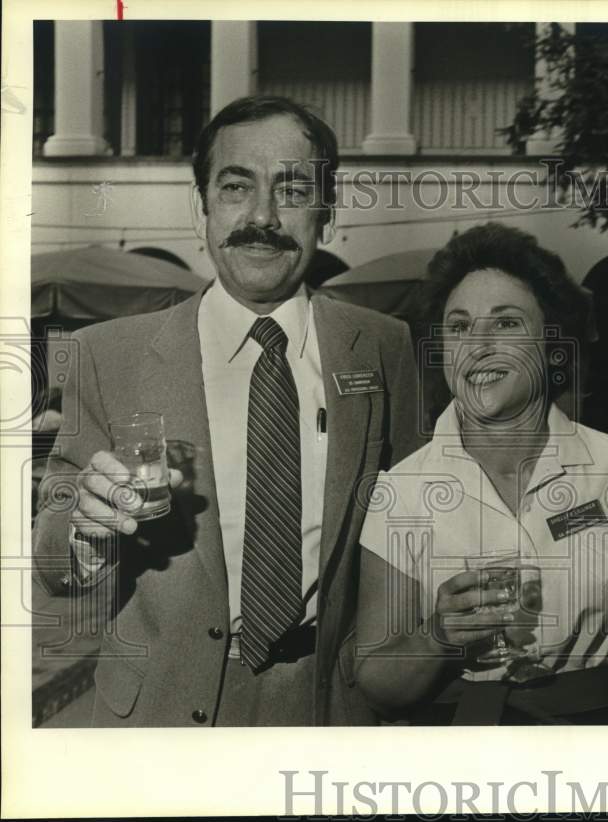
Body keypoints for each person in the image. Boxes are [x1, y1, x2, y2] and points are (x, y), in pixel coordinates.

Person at [32, 96, 421, 726]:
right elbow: (53, 561)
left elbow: (407, 529)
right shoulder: (108, 355)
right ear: (201, 208)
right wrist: (84, 526)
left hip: (329, 708)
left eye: (292, 189)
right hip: (157, 713)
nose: (262, 217)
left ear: (326, 211)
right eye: (236, 186)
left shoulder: (382, 346)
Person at [354, 223, 608, 724]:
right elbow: (378, 683)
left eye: (507, 324)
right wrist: (439, 635)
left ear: (553, 344)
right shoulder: (401, 493)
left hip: (596, 748)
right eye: (460, 326)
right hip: (457, 760)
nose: (479, 345)